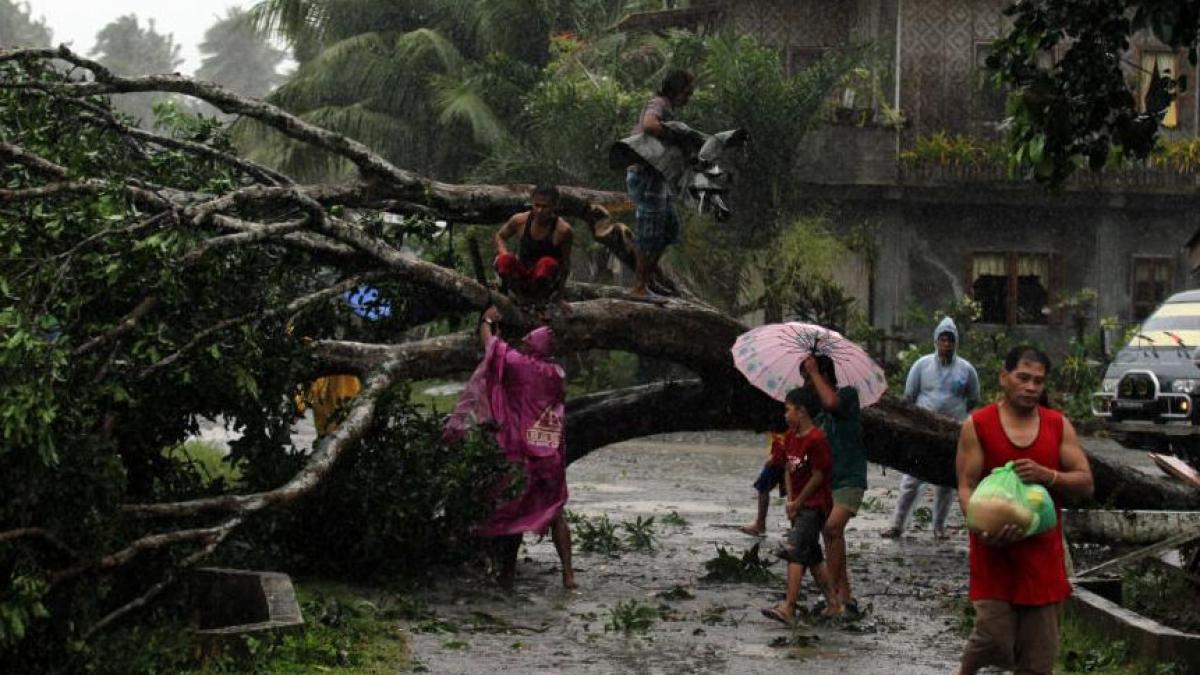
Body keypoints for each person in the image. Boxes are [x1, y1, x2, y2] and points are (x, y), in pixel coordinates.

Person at [955, 346, 1094, 675]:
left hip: (1041, 559)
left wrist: (1050, 475)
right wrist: (981, 527)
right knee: (993, 639)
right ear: (1004, 378)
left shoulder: (1058, 425)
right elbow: (966, 485)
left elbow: (1086, 482)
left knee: (1037, 661)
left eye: (1038, 381)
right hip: (993, 553)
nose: (1031, 387)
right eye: (1023, 378)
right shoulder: (978, 425)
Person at [442, 305, 576, 590]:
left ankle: (507, 575)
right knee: (556, 513)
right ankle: (568, 575)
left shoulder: (520, 365)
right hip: (550, 454)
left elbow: (491, 345)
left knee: (515, 511)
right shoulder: (556, 373)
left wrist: (487, 319)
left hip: (522, 452)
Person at [882, 317, 981, 540]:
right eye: (943, 339)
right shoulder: (921, 365)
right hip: (922, 432)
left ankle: (939, 527)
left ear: (956, 343)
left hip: (951, 433)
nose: (946, 344)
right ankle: (897, 524)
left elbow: (973, 398)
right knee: (911, 480)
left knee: (946, 483)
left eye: (950, 340)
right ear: (936, 341)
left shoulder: (966, 370)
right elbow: (909, 396)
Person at [760, 387, 841, 624]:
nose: (785, 415)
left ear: (802, 411)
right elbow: (787, 467)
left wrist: (799, 501)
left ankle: (789, 606)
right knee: (812, 556)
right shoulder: (791, 436)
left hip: (815, 505)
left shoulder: (816, 439)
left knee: (794, 551)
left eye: (788, 409)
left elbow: (818, 476)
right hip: (798, 504)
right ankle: (834, 604)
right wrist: (790, 500)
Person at [803, 353, 865, 615]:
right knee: (832, 537)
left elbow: (831, 401)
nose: (807, 384)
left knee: (832, 529)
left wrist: (814, 371)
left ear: (824, 375)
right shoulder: (820, 417)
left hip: (850, 478)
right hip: (831, 483)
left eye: (810, 378)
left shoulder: (848, 395)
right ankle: (844, 595)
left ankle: (830, 593)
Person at [626, 69, 695, 302]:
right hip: (646, 176)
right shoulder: (658, 104)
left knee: (668, 229)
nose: (689, 97)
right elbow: (649, 125)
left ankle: (648, 280)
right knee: (649, 232)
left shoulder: (669, 109)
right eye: (687, 92)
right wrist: (676, 133)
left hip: (658, 177)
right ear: (676, 90)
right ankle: (639, 286)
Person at [494, 184, 573, 304]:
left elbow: (565, 264)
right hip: (520, 278)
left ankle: (538, 301)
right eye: (536, 205)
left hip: (544, 282)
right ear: (532, 202)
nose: (540, 210)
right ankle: (517, 297)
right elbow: (500, 236)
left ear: (554, 205)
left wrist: (560, 295)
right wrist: (503, 253)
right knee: (505, 259)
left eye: (545, 207)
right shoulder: (520, 220)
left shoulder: (563, 230)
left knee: (547, 263)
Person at [739, 429, 788, 537]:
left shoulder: (789, 420)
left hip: (783, 457)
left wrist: (776, 456)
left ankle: (761, 524)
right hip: (780, 456)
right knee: (764, 486)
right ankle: (761, 523)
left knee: (793, 491)